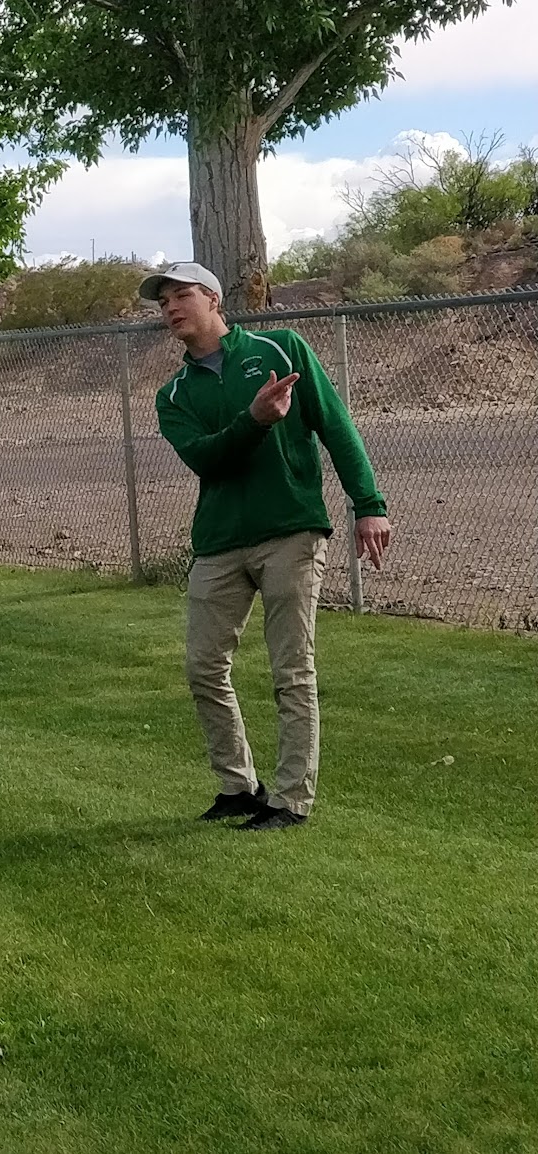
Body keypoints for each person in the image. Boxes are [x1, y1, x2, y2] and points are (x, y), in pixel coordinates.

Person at [144, 262, 392, 832]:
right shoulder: (173, 394)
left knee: (291, 669)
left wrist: (369, 504)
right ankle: (238, 786)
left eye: (181, 295)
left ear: (213, 299)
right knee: (204, 667)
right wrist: (254, 420)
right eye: (163, 302)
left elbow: (335, 425)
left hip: (291, 532)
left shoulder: (281, 349)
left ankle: (290, 799)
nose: (171, 308)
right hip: (219, 543)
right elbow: (206, 457)